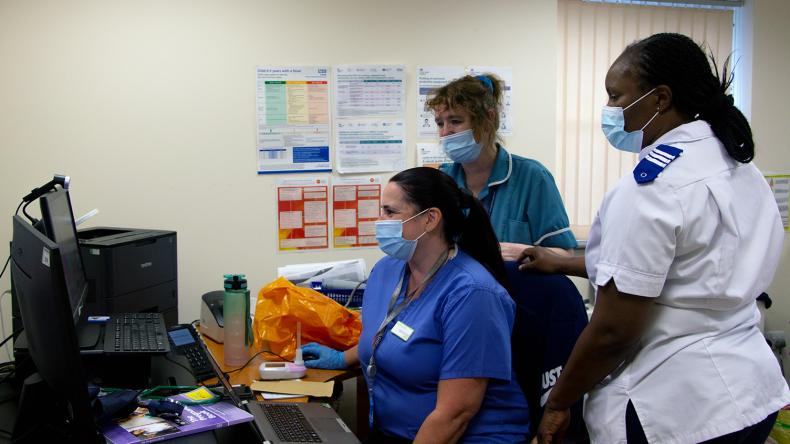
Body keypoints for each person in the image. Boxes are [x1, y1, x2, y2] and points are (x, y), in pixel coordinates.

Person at [520, 33, 790, 444]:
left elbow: (613, 332)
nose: (608, 108)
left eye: (615, 96)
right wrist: (563, 263)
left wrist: (559, 403)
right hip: (751, 393)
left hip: (677, 408)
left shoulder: (650, 188)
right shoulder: (737, 164)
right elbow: (691, 266)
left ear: (660, 99)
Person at [303, 167, 530, 443]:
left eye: (390, 212)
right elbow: (386, 335)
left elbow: (455, 414)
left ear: (430, 219)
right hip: (401, 433)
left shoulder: (473, 294)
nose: (379, 221)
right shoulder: (386, 271)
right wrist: (342, 358)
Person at [426, 74, 576, 260]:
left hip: (514, 279)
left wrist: (523, 253)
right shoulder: (442, 180)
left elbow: (566, 256)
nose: (445, 132)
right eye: (440, 123)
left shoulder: (532, 177)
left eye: (455, 121)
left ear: (488, 119)